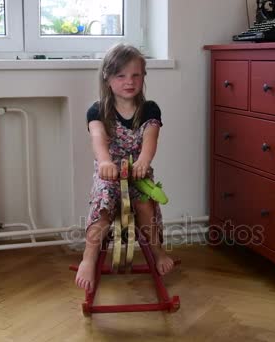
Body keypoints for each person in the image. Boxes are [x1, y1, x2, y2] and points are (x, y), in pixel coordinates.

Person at [75, 43, 175, 292]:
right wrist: (106, 161)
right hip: (109, 173)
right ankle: (88, 258)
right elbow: (97, 138)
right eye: (121, 75)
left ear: (143, 77)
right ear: (107, 78)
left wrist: (143, 161)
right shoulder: (98, 110)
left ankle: (158, 251)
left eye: (135, 75)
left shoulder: (149, 109)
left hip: (138, 172)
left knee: (143, 204)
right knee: (104, 207)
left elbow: (150, 139)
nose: (128, 81)